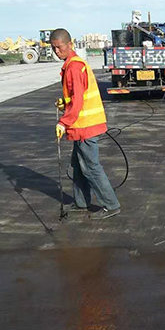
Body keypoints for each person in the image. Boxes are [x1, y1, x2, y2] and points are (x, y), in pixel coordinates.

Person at [52, 28, 121, 220]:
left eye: (60, 47)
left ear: (70, 44)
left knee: (90, 167)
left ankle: (111, 205)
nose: (57, 51)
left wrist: (62, 122)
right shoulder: (73, 64)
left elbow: (79, 102)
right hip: (83, 124)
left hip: (85, 126)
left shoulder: (74, 67)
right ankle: (81, 202)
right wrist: (64, 102)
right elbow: (75, 97)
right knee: (78, 164)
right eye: (54, 48)